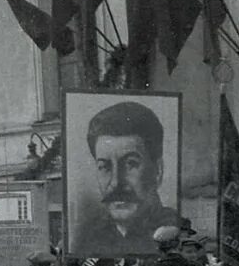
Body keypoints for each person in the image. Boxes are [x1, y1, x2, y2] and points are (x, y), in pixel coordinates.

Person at [72, 101, 180, 256]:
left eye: (130, 164)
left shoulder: (177, 231)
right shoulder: (87, 239)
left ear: (158, 170)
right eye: (105, 167)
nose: (116, 183)